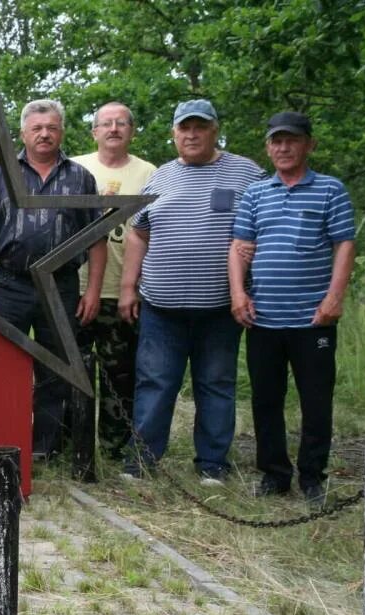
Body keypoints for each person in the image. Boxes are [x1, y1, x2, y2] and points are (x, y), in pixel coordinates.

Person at [118, 99, 264, 484]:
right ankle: (142, 462)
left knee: (216, 384)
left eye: (200, 127)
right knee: (154, 383)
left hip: (220, 306)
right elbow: (138, 233)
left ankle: (212, 464)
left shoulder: (247, 173)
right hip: (159, 305)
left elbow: (266, 224)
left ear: (215, 130)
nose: (192, 134)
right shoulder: (160, 177)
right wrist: (128, 288)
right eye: (185, 128)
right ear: (174, 135)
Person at [0, 98, 106, 460]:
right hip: (10, 285)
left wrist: (92, 290)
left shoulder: (80, 178)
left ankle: (45, 449)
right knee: (1, 364)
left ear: (61, 132)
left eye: (52, 128)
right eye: (37, 128)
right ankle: (0, 443)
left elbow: (97, 239)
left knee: (54, 369)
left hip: (61, 287)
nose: (45, 134)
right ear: (23, 133)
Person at [228, 112, 356, 507]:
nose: (283, 148)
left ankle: (313, 477)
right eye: (276, 141)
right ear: (268, 147)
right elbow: (238, 247)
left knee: (315, 400)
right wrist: (238, 294)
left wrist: (334, 297)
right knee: (266, 400)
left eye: (292, 140)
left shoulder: (330, 190)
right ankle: (274, 475)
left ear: (308, 145)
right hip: (263, 317)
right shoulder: (256, 192)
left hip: (312, 319)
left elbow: (344, 246)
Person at [69, 102, 157, 461]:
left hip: (124, 287)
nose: (114, 128)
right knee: (71, 370)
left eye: (122, 122)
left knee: (120, 374)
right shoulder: (75, 168)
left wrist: (133, 287)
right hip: (75, 286)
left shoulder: (150, 172)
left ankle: (114, 448)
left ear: (132, 131)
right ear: (94, 132)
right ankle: (69, 442)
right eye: (106, 123)